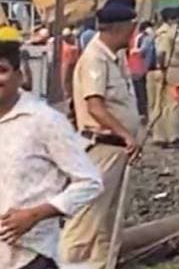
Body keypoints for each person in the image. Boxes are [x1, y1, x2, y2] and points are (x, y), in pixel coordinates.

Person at [0, 31, 103, 269]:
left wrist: (36, 214)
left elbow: (89, 182)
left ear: (20, 74)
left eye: (2, 70)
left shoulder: (44, 120)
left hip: (30, 256)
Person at [60, 0, 142, 268]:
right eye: (131, 26)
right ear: (119, 28)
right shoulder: (95, 58)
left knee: (108, 223)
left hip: (117, 150)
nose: (134, 32)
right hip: (103, 147)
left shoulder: (114, 57)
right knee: (87, 220)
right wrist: (126, 134)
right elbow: (95, 107)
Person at [149, 8, 179, 146]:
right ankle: (174, 135)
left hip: (163, 69)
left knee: (161, 103)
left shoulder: (160, 32)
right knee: (176, 103)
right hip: (173, 69)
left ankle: (159, 134)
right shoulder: (173, 32)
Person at [126, 22, 155, 121]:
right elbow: (144, 50)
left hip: (134, 68)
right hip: (143, 69)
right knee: (144, 92)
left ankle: (141, 113)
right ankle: (144, 113)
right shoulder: (146, 38)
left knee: (138, 92)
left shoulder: (134, 38)